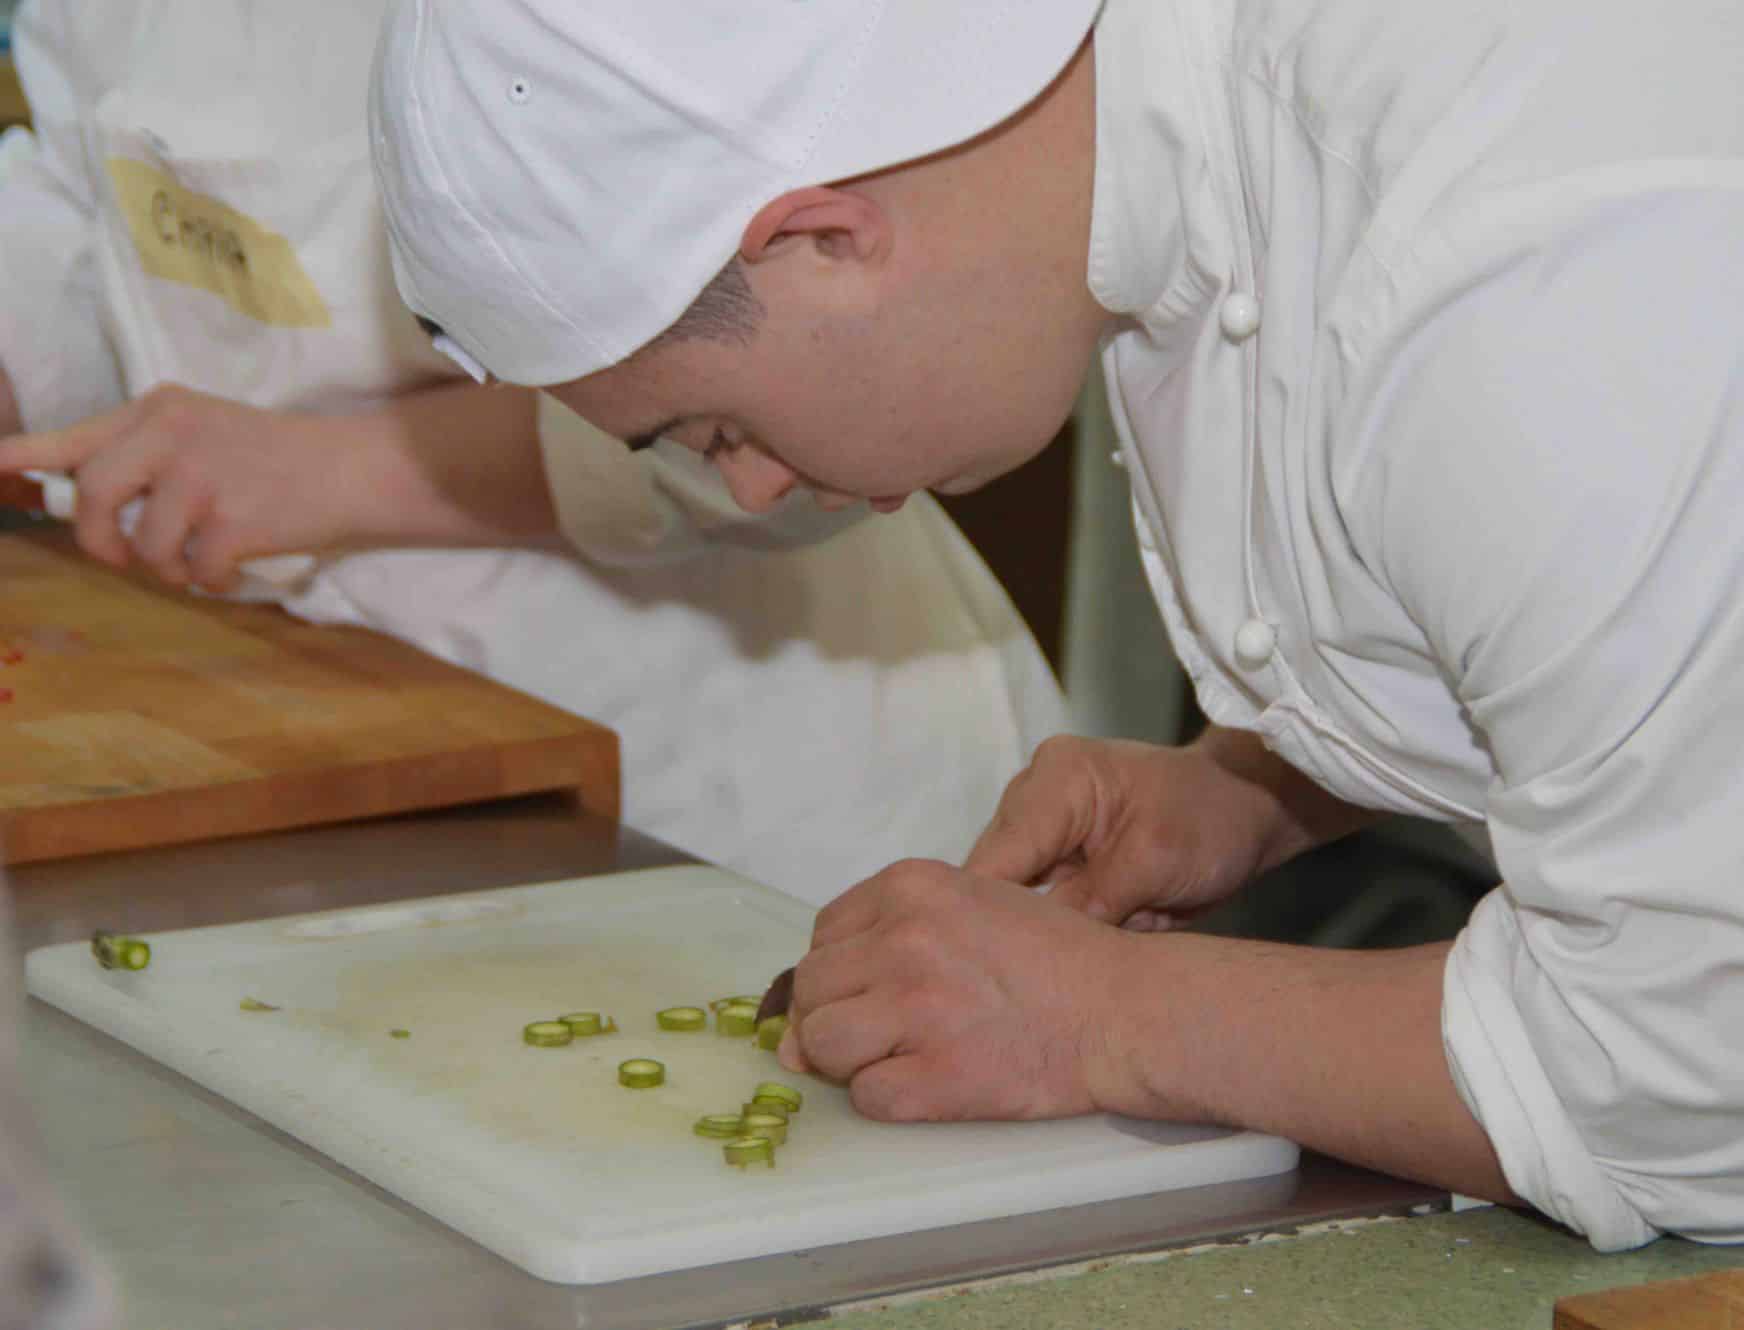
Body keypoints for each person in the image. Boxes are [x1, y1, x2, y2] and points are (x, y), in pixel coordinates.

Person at [368, 0, 1744, 1251]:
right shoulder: (1187, 123)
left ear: (821, 236)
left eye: (715, 426)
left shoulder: (1573, 257)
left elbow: (1731, 1078)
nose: (757, 483)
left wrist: (1100, 1017)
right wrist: (1265, 776)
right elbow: (1598, 594)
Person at [0, 0, 1069, 904]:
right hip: (301, 728)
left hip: (726, 787)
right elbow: (85, 184)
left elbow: (794, 371)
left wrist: (325, 473)